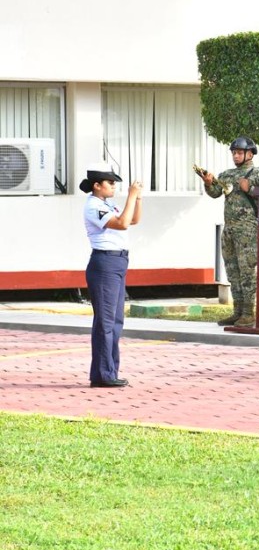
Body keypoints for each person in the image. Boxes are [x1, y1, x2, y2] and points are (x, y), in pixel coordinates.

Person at [197, 137, 259, 328]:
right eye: (233, 152)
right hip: (229, 229)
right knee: (233, 271)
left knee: (247, 272)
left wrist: (251, 189)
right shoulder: (227, 174)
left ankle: (249, 313)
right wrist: (208, 183)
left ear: (250, 154)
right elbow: (215, 193)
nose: (235, 156)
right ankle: (238, 311)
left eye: (239, 152)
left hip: (248, 229)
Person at [80, 163, 143, 388]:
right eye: (110, 182)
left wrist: (137, 199)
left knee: (116, 321)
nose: (114, 186)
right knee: (105, 322)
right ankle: (102, 375)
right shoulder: (93, 206)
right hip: (105, 262)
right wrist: (131, 195)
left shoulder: (106, 203)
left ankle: (108, 371)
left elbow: (134, 219)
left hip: (117, 261)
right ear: (96, 186)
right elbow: (122, 224)